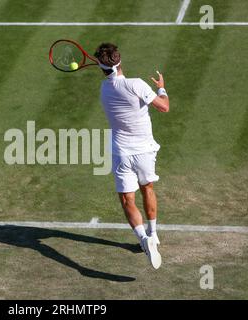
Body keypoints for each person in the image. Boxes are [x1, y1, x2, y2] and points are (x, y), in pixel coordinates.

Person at [94, 43, 169, 269]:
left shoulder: (104, 89)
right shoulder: (136, 84)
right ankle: (153, 234)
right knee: (148, 188)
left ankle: (143, 240)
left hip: (121, 153)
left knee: (127, 200)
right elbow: (164, 107)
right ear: (120, 62)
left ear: (103, 69)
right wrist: (162, 89)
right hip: (145, 150)